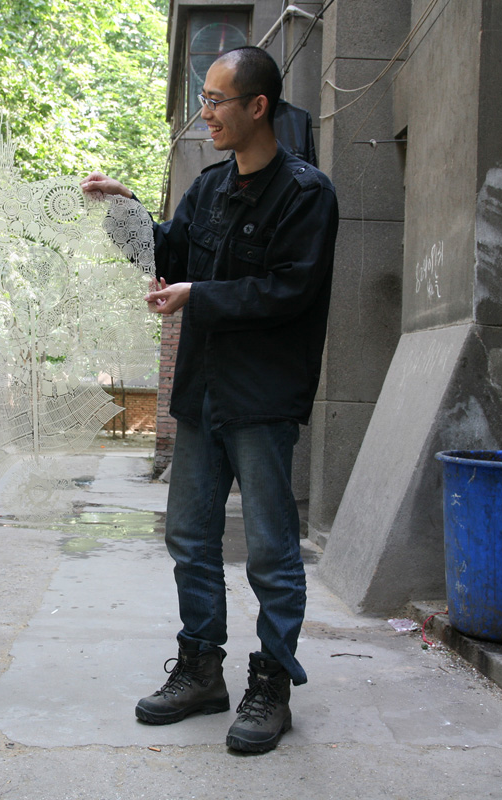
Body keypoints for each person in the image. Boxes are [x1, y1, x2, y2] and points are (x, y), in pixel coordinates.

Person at [81, 46, 338, 753]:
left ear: (258, 106)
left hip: (262, 400)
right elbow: (164, 253)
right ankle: (200, 670)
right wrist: (125, 207)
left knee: (271, 552)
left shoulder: (307, 194)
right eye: (203, 99)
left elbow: (290, 290)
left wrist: (200, 296)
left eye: (217, 100)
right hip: (202, 394)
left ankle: (272, 684)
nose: (206, 113)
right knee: (190, 538)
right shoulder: (209, 187)